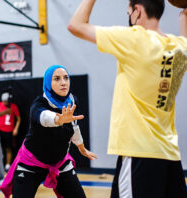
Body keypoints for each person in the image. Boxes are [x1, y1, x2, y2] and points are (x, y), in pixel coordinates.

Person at [68, 0, 187, 197]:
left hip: (139, 152)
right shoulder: (180, 47)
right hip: (170, 155)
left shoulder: (134, 39)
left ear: (137, 11)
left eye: (128, 12)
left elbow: (76, 26)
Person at [0, 65, 98, 198]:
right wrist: (59, 120)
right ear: (48, 83)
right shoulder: (39, 104)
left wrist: (82, 148)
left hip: (60, 163)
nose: (63, 82)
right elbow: (44, 117)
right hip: (30, 163)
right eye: (57, 79)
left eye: (66, 78)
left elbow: (74, 127)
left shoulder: (72, 101)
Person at [0, 91, 21, 173]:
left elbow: (18, 119)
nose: (5, 103)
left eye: (6, 101)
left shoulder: (13, 106)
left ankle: (7, 165)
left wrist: (16, 129)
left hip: (9, 131)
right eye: (4, 101)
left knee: (8, 149)